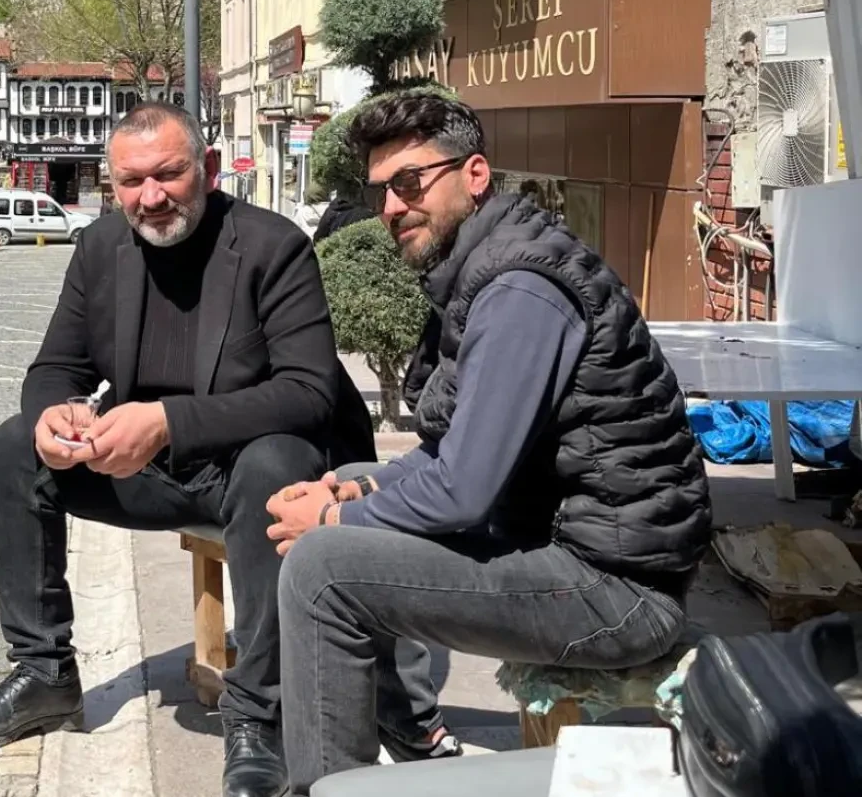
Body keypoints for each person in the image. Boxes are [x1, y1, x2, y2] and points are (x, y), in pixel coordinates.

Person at [267, 92, 713, 795]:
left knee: (321, 569)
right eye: (380, 191)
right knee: (353, 471)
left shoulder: (520, 290)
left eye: (410, 182)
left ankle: (331, 783)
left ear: (474, 174)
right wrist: (354, 490)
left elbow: (462, 490)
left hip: (618, 590)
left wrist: (330, 517)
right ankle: (403, 725)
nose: (391, 207)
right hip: (563, 544)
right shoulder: (484, 267)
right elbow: (451, 451)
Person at [0, 103, 379, 797]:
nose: (151, 197)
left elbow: (309, 392)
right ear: (112, 183)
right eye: (131, 181)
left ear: (207, 168)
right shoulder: (99, 246)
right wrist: (53, 415)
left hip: (249, 471)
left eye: (169, 174)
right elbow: (55, 366)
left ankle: (258, 714)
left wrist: (168, 421)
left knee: (278, 461)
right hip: (147, 471)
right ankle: (44, 672)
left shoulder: (275, 245)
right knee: (13, 449)